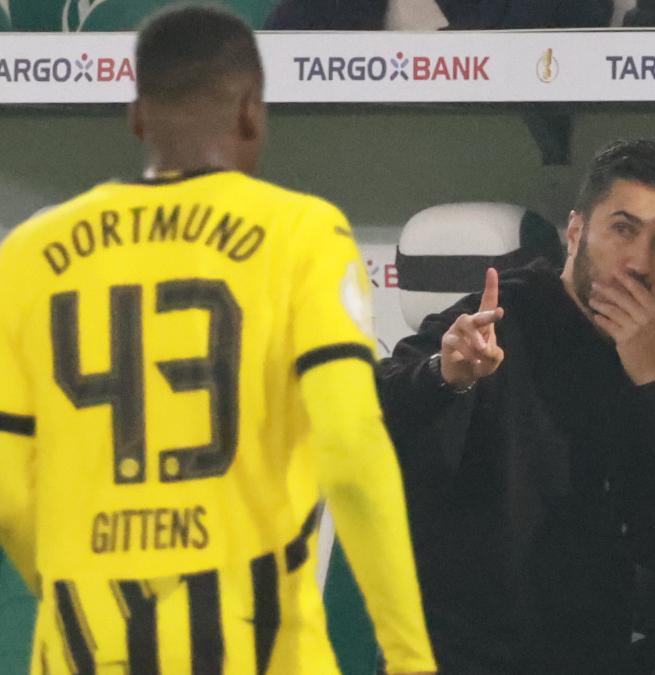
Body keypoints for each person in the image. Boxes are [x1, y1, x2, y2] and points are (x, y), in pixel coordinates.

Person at [0, 6, 434, 674]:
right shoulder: (303, 235)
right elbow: (351, 444)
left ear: (138, 116)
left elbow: (8, 485)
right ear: (251, 111)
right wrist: (410, 656)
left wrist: (69, 582)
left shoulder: (29, 253)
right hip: (258, 644)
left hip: (83, 644)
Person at [376, 139, 655, 674]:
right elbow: (375, 410)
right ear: (575, 230)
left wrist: (654, 384)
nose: (640, 262)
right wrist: (445, 375)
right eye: (623, 229)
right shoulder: (499, 319)